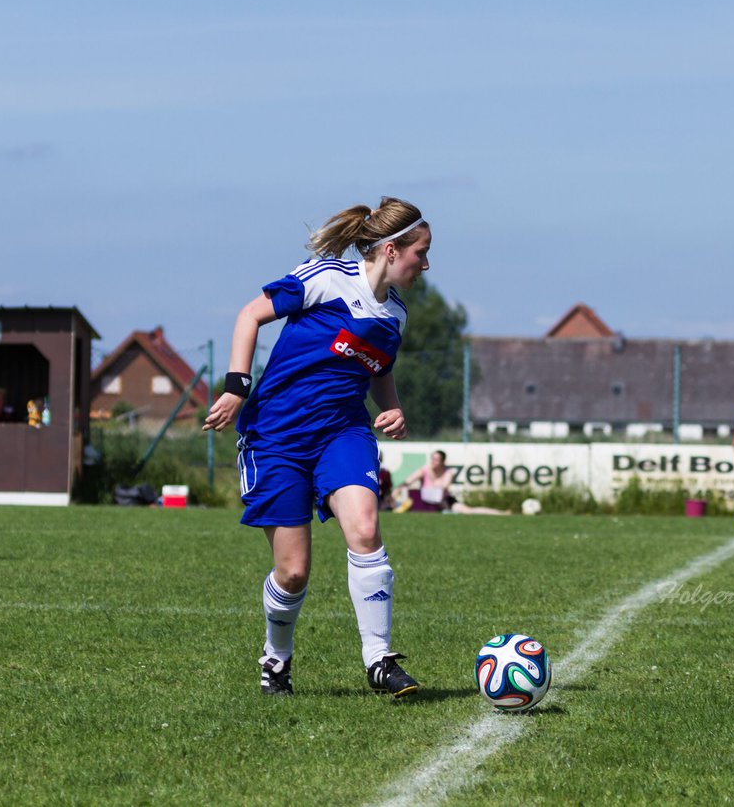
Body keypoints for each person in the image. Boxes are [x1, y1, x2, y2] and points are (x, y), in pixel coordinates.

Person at [203, 196, 429, 698]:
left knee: (366, 529)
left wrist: (390, 408)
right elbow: (250, 315)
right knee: (293, 572)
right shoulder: (326, 278)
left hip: (342, 432)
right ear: (392, 250)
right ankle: (275, 660)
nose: (426, 264)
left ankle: (379, 659)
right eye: (422, 252)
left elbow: (379, 369)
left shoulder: (395, 315)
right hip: (276, 437)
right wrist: (236, 387)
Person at [399, 449, 511, 515]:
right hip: (427, 502)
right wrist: (396, 492)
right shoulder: (424, 470)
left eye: (437, 460)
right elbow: (408, 482)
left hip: (445, 501)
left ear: (443, 461)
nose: (434, 462)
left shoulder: (448, 472)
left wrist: (432, 477)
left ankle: (500, 513)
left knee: (467, 511)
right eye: (433, 459)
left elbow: (443, 487)